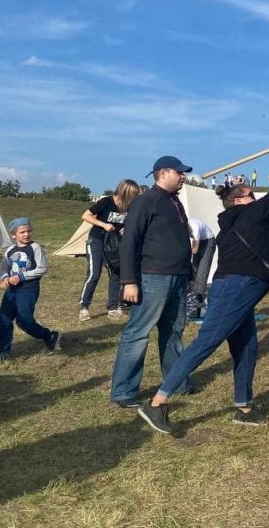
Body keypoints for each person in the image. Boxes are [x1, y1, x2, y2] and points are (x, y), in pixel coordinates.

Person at [137, 151, 269, 434]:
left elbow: (243, 251)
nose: (255, 198)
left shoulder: (232, 220)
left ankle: (244, 408)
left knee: (247, 346)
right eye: (250, 195)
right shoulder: (250, 212)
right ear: (239, 200)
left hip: (240, 286)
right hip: (238, 287)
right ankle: (157, 403)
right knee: (206, 342)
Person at [110, 155, 197, 409]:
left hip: (178, 278)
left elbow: (180, 241)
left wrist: (189, 275)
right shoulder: (145, 201)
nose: (183, 177)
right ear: (163, 172)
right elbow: (130, 242)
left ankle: (176, 383)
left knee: (173, 332)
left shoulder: (175, 202)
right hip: (152, 278)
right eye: (179, 173)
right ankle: (124, 391)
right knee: (138, 334)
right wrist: (129, 280)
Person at [0, 218, 62, 362]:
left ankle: (49, 335)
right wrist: (5, 277)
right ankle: (4, 351)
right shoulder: (10, 250)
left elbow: (42, 268)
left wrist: (21, 276)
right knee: (3, 319)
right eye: (22, 232)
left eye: (29, 231)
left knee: (24, 321)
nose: (26, 234)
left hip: (28, 290)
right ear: (14, 235)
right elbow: (5, 266)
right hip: (11, 291)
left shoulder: (35, 247)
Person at [78, 179, 139, 321]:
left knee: (115, 274)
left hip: (115, 244)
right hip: (97, 240)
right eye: (132, 194)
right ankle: (84, 307)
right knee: (94, 273)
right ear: (125, 192)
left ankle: (113, 307)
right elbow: (86, 216)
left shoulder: (129, 207)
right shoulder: (106, 202)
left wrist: (126, 229)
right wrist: (103, 225)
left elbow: (128, 222)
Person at [186, 217, 216, 319]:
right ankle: (192, 304)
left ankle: (199, 308)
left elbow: (194, 250)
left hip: (208, 242)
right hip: (198, 243)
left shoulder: (194, 228)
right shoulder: (181, 226)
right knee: (193, 272)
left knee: (201, 274)